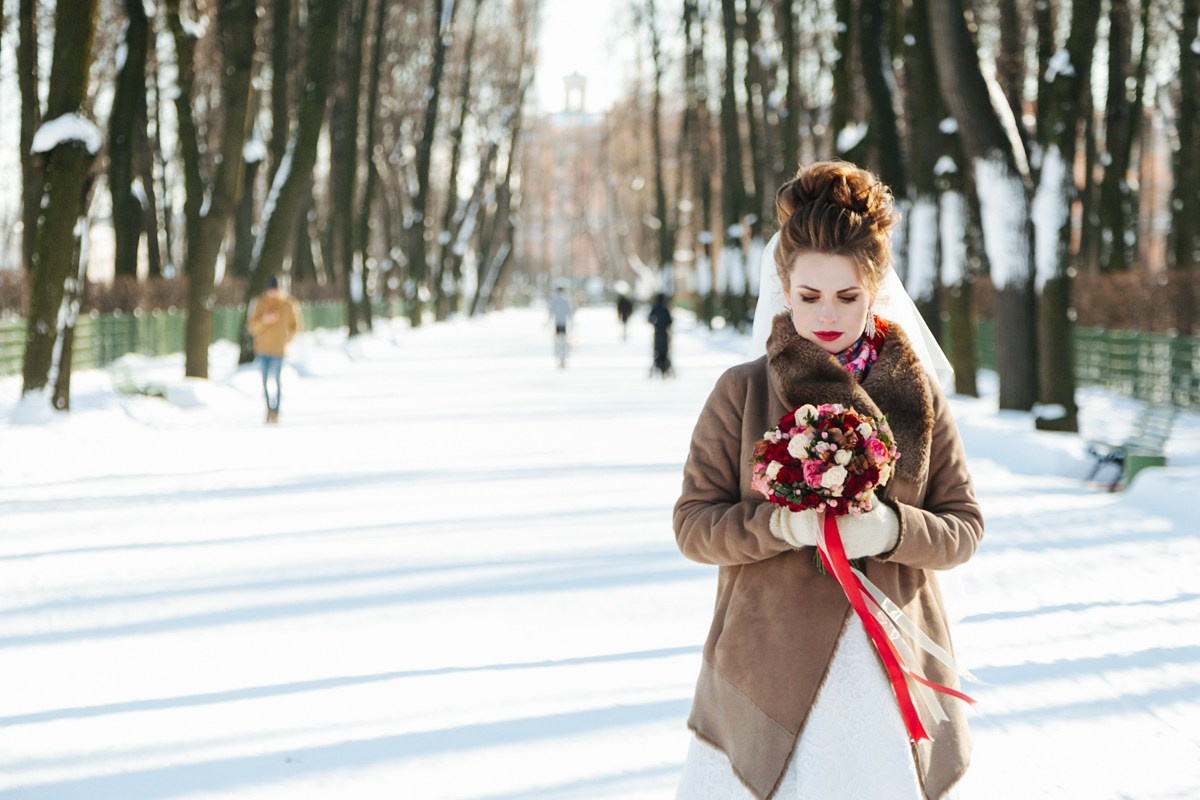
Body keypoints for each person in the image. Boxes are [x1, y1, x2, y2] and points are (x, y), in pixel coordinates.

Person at [673, 161, 983, 800]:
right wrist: (778, 524)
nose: (827, 315)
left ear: (876, 289)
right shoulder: (742, 391)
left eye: (847, 297)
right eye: (809, 296)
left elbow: (963, 528)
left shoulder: (917, 393)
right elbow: (694, 525)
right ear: (784, 287)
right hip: (765, 670)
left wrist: (893, 528)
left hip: (890, 672)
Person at [247, 274, 302, 424]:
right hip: (263, 348)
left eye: (275, 290)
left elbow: (296, 326)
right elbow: (251, 327)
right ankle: (268, 409)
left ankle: (276, 411)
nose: (273, 293)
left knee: (276, 380)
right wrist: (264, 321)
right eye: (270, 290)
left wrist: (286, 338)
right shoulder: (260, 303)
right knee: (265, 381)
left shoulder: (288, 304)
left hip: (279, 349)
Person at [648, 292, 674, 377]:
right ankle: (665, 368)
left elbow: (649, 319)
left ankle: (659, 365)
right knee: (665, 351)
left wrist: (656, 323)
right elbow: (670, 321)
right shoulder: (665, 309)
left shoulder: (655, 308)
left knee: (657, 350)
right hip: (665, 334)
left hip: (657, 333)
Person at [548, 285, 574, 368]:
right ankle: (562, 357)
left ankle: (559, 357)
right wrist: (572, 323)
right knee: (563, 341)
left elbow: (551, 312)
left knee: (558, 341)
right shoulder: (566, 300)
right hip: (564, 324)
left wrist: (548, 322)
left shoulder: (554, 300)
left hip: (557, 323)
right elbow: (569, 312)